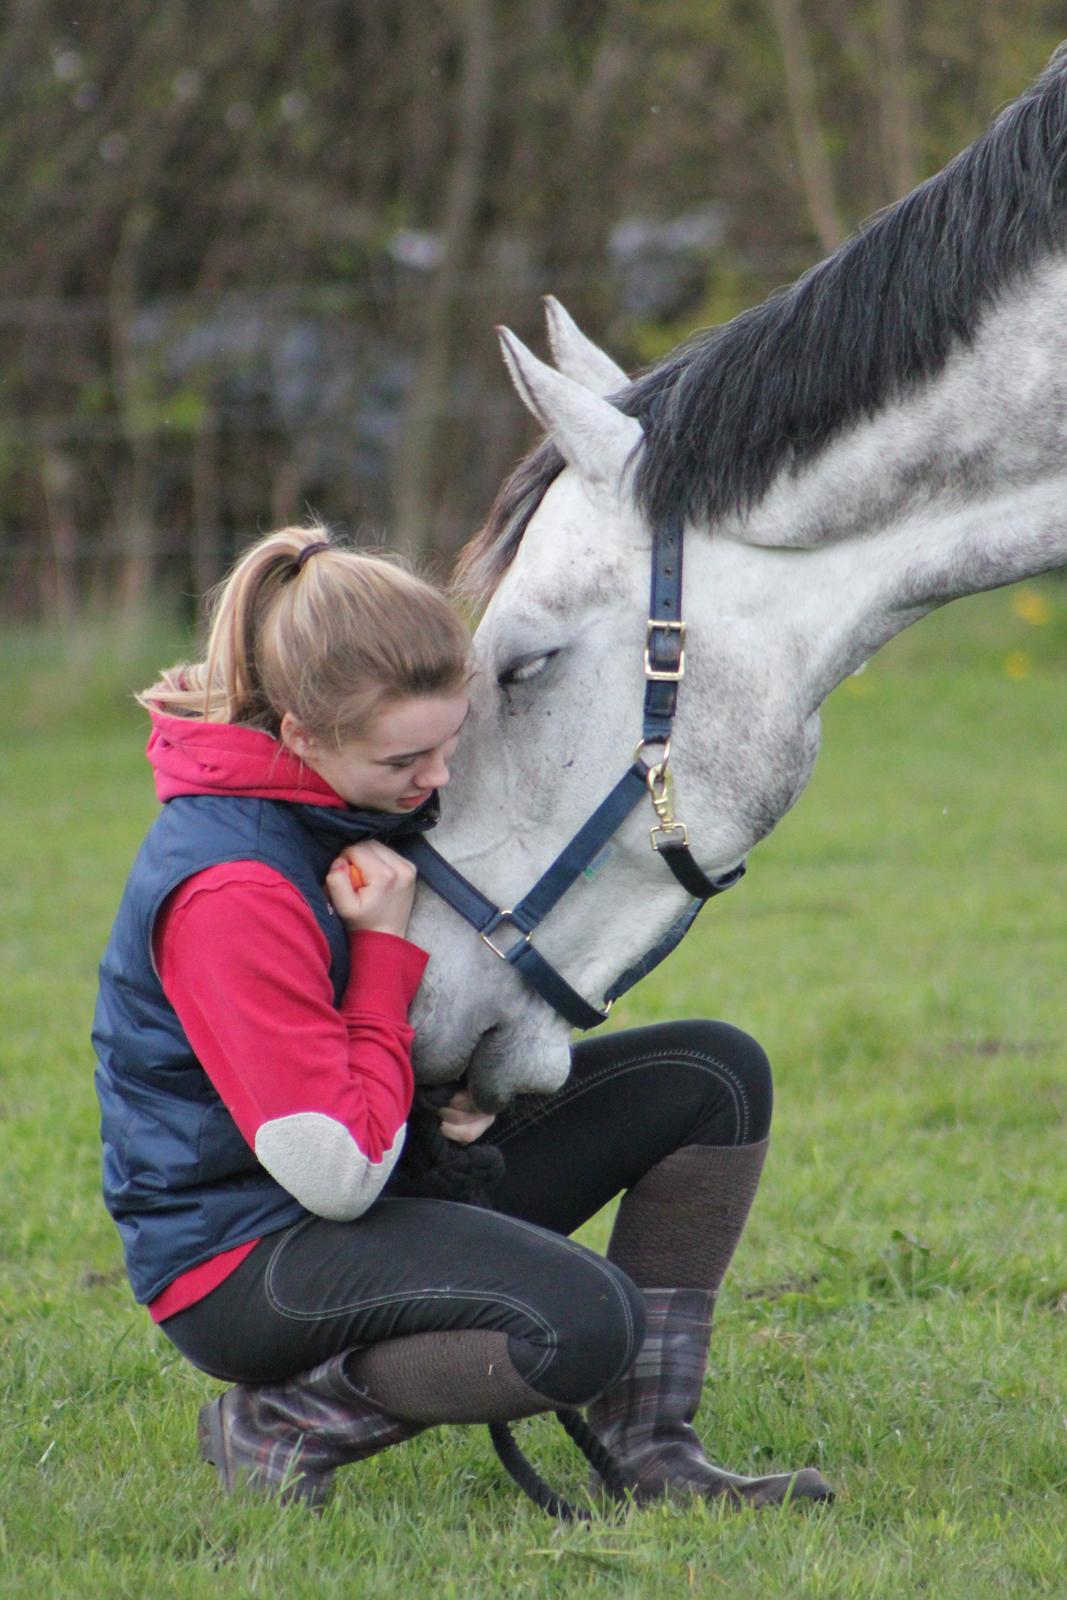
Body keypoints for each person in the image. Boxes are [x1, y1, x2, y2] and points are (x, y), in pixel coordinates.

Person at [92, 525, 832, 1511]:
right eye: (407, 756)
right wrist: (383, 959)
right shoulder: (232, 888)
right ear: (303, 737)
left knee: (712, 1078)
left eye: (450, 740)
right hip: (247, 1258)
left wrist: (446, 1089)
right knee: (580, 1322)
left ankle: (653, 1451)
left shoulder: (337, 802)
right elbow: (335, 1172)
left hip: (377, 1173)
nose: (437, 777)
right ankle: (276, 1422)